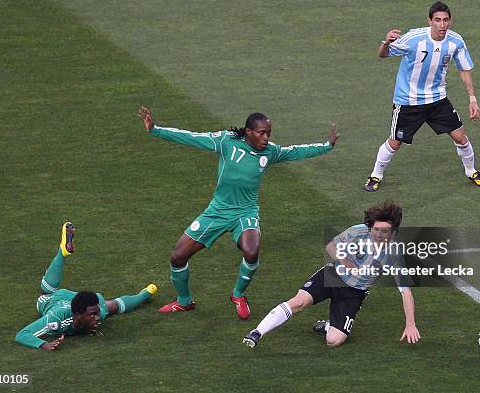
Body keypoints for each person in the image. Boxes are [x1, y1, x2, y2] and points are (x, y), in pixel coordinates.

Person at [139, 106, 339, 320]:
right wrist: (155, 129)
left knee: (252, 251)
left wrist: (327, 146)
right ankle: (184, 301)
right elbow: (191, 137)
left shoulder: (269, 152)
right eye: (262, 132)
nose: (266, 137)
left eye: (269, 132)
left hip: (246, 213)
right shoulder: (226, 141)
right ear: (249, 131)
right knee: (178, 256)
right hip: (217, 211)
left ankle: (238, 294)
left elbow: (295, 151)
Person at [243, 201, 420, 348]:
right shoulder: (357, 231)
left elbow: (406, 292)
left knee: (333, 341)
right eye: (376, 230)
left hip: (354, 293)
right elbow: (331, 246)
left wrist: (410, 324)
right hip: (332, 276)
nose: (379, 235)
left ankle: (327, 326)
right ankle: (257, 332)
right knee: (298, 302)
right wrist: (344, 261)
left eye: (385, 231)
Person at [364, 1, 480, 192]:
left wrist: (472, 98)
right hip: (409, 101)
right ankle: (376, 175)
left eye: (446, 20)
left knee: (461, 137)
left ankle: (471, 171)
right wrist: (386, 43)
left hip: (437, 100)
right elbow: (383, 54)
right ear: (430, 21)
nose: (442, 25)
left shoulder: (455, 41)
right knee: (395, 142)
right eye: (438, 20)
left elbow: (464, 69)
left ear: (451, 21)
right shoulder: (414, 38)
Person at [15, 222, 157, 350]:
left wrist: (89, 324)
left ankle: (145, 293)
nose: (97, 318)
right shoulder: (55, 320)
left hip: (75, 299)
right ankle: (62, 253)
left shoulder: (97, 312)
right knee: (45, 294)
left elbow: (97, 304)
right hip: (53, 300)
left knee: (110, 307)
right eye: (92, 315)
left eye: (95, 313)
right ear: (77, 315)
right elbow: (23, 334)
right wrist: (44, 344)